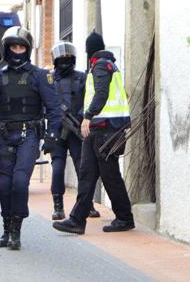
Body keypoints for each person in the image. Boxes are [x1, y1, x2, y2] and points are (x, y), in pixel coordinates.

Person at [0, 26, 61, 250]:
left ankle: (16, 232)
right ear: (6, 49)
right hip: (4, 136)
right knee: (5, 184)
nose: (17, 51)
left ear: (27, 49)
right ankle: (7, 229)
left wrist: (52, 136)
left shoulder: (39, 75)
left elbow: (54, 108)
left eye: (21, 47)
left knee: (20, 183)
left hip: (29, 135)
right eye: (13, 47)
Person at [53, 32, 134, 235]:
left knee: (109, 175)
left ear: (90, 51)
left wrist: (88, 116)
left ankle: (124, 217)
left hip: (105, 129)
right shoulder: (108, 65)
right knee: (87, 174)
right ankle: (77, 220)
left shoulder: (100, 66)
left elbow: (101, 93)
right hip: (100, 129)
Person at [49, 41, 100, 220]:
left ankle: (87, 204)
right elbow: (43, 103)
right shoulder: (48, 79)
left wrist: (80, 117)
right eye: (61, 58)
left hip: (75, 127)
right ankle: (58, 205)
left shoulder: (82, 77)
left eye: (67, 58)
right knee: (58, 167)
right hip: (57, 130)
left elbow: (89, 98)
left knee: (82, 167)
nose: (64, 61)